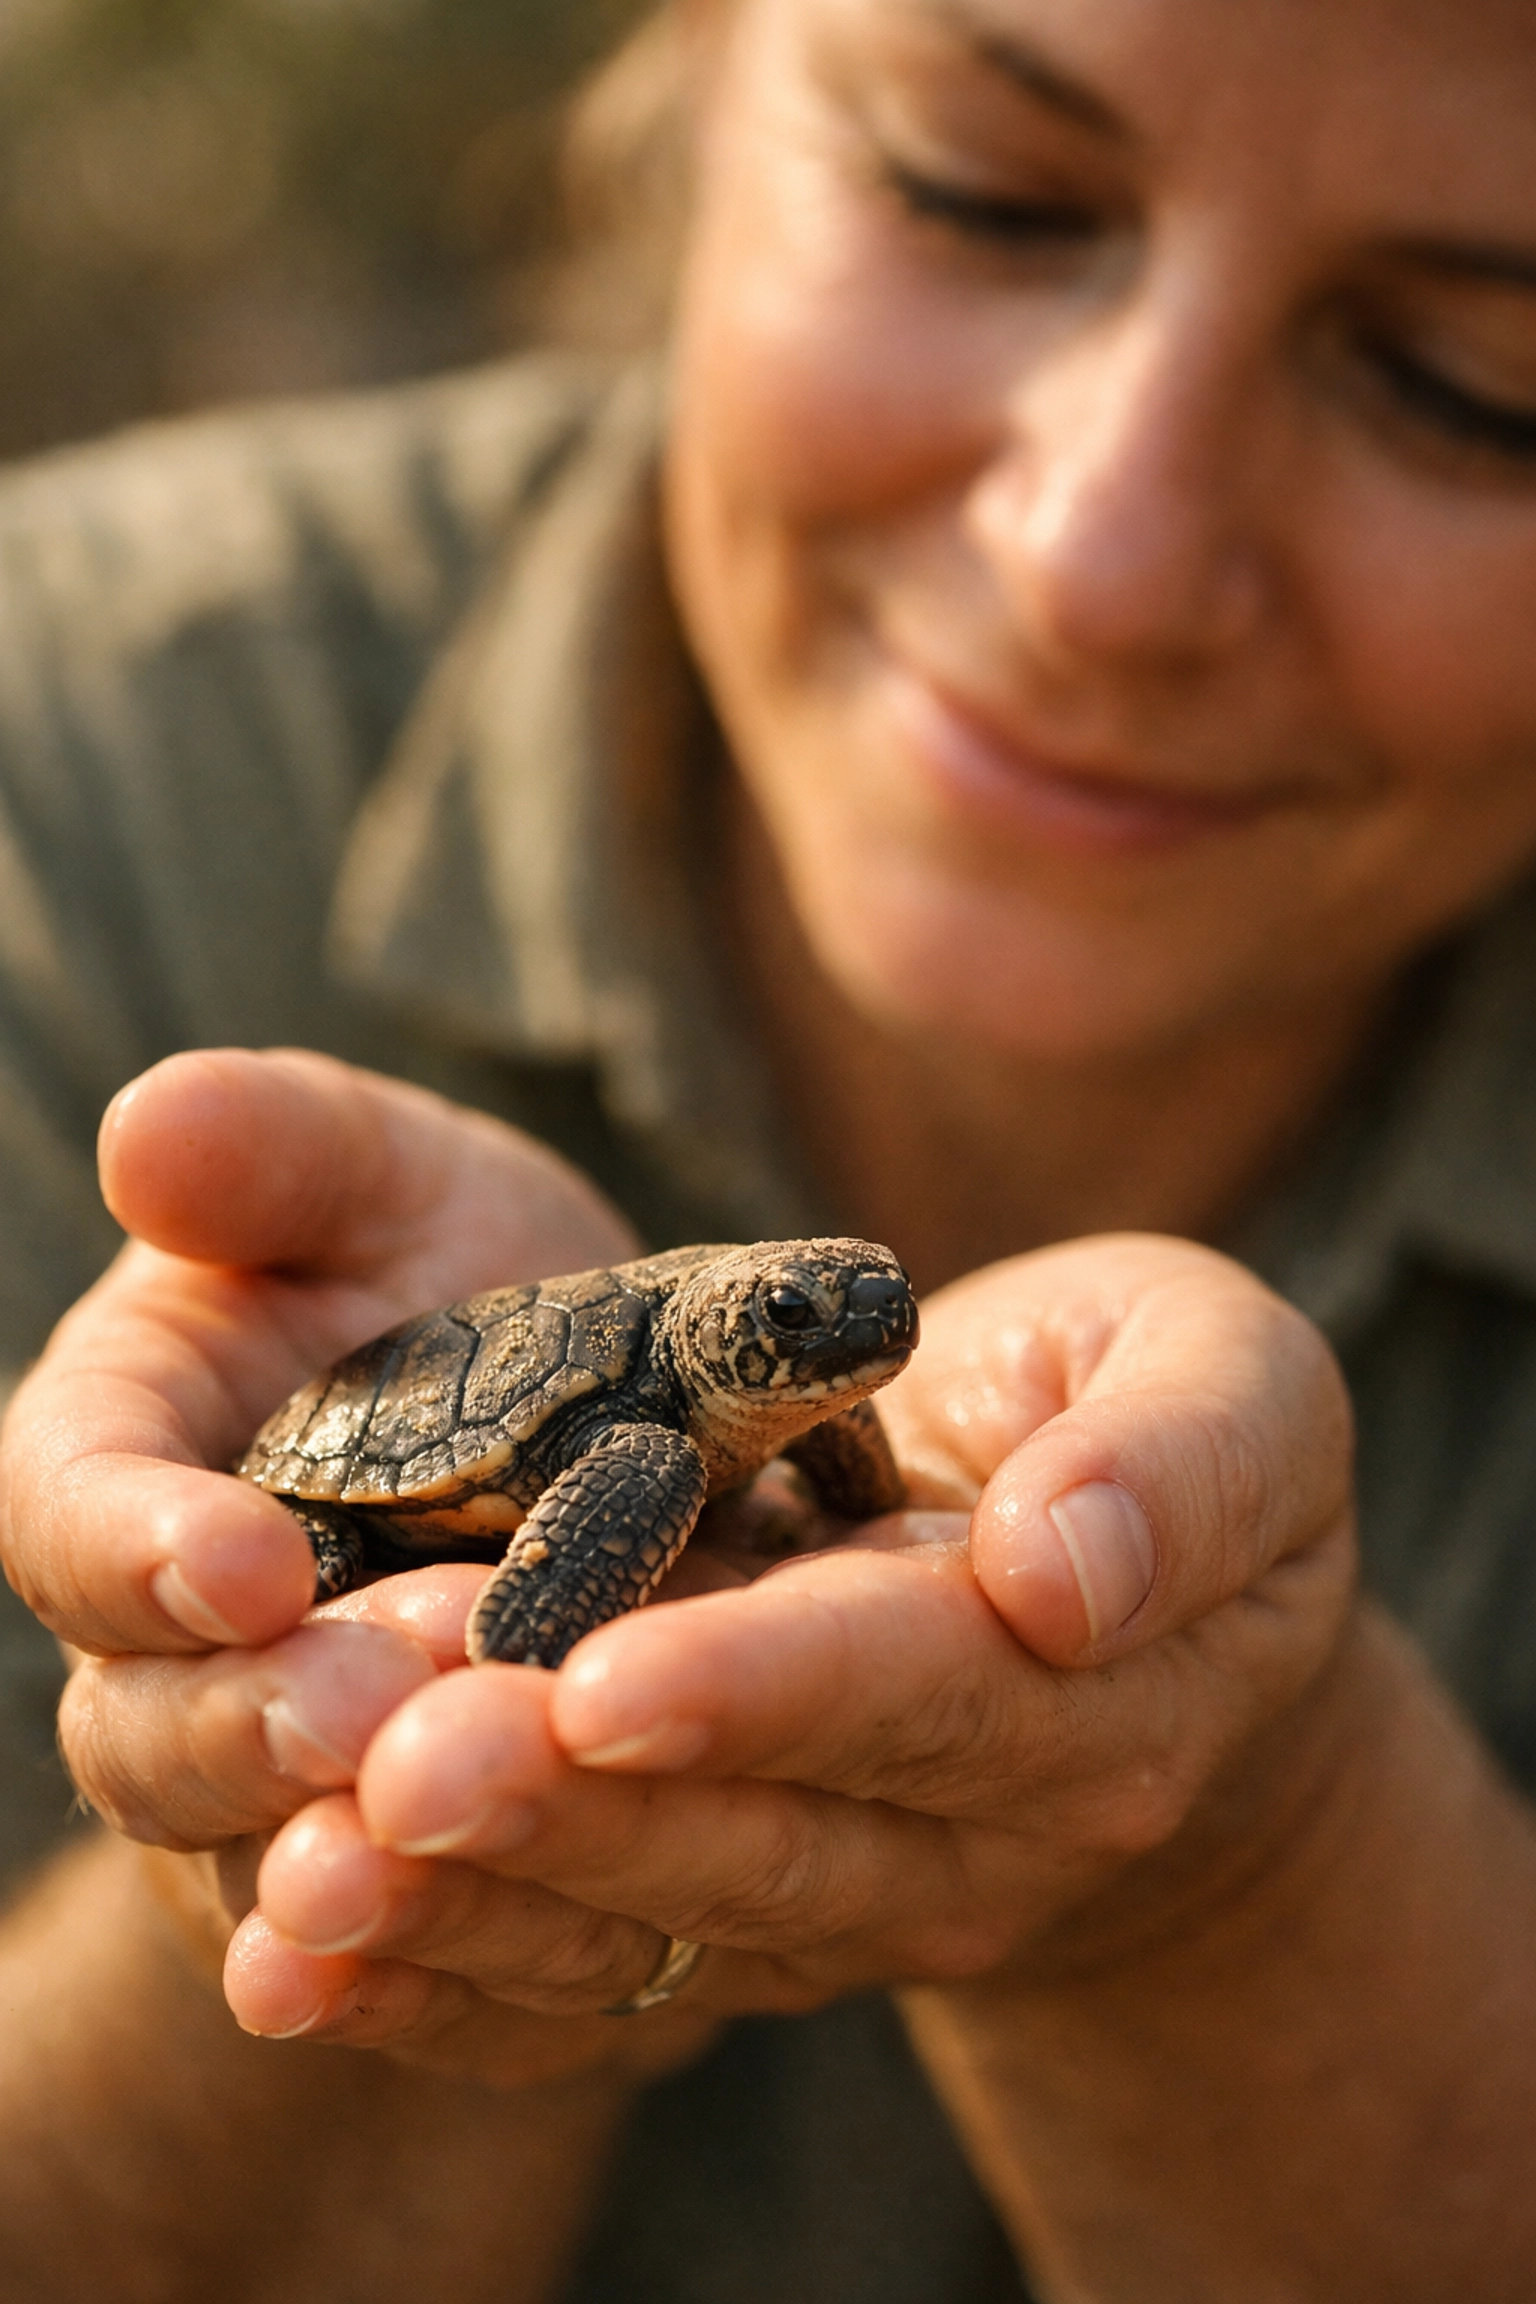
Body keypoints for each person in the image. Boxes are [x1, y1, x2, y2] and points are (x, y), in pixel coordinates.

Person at [3, 0, 1536, 2294]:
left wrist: (1245, 1872)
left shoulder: (745, 1425)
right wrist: (422, 1835)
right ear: (687, 74)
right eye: (980, 192)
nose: (1096, 559)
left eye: (1476, 382)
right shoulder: (80, 756)